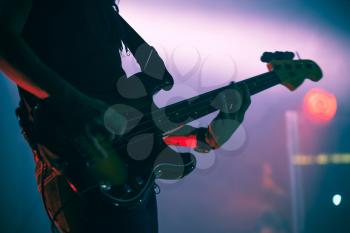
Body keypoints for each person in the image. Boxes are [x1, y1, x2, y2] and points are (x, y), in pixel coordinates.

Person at [0, 0, 251, 232]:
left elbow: (131, 121)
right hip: (76, 161)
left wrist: (202, 138)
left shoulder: (103, 10)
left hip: (126, 174)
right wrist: (75, 102)